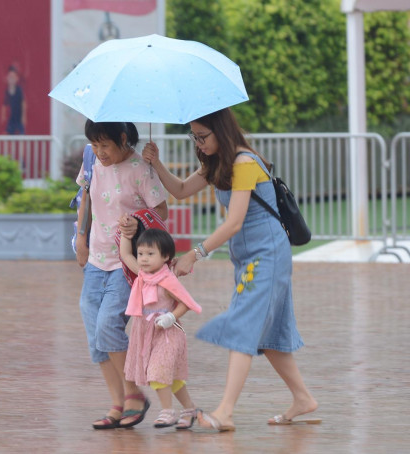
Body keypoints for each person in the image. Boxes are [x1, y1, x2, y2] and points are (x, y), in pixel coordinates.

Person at [142, 107, 320, 432]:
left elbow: (234, 221)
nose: (199, 143)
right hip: (249, 258)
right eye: (194, 137)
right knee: (267, 336)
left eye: (203, 136)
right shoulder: (217, 163)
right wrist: (156, 164)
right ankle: (303, 398)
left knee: (242, 327)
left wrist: (194, 254)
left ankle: (225, 412)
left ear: (220, 131)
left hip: (267, 255)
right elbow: (180, 191)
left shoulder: (244, 163)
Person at [75, 120, 168, 429]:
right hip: (95, 261)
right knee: (95, 334)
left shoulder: (141, 168)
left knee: (107, 324)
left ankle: (133, 394)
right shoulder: (91, 159)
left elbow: (161, 213)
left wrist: (137, 224)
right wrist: (80, 239)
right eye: (95, 144)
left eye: (105, 145)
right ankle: (118, 403)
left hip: (126, 263)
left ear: (124, 139)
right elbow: (84, 199)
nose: (99, 152)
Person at [119, 227, 202, 429]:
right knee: (170, 378)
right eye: (141, 254)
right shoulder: (142, 275)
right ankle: (191, 410)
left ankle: (167, 412)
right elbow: (124, 254)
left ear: (165, 256)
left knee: (157, 373)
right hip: (146, 333)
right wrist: (125, 235)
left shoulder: (167, 280)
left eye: (150, 254)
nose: (144, 259)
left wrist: (171, 316)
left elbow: (185, 303)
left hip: (167, 334)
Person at [0, 65, 26, 135]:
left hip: (19, 118)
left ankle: (21, 145)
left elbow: (23, 103)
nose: (11, 79)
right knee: (8, 133)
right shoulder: (7, 91)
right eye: (10, 77)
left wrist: (23, 117)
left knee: (21, 134)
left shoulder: (19, 90)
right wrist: (3, 115)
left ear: (17, 78)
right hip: (12, 118)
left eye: (13, 77)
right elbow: (4, 104)